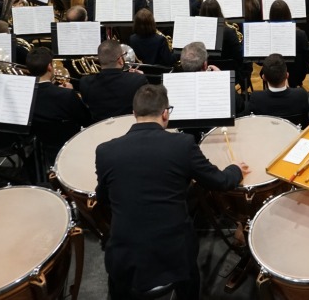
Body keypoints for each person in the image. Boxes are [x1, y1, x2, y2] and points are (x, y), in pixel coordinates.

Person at [95, 84, 249, 300]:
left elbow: (102, 197)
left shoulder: (105, 151)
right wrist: (235, 169)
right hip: (174, 253)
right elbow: (220, 181)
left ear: (134, 113)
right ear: (166, 113)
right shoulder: (182, 144)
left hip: (124, 255)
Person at [79, 39, 148, 122]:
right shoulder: (138, 80)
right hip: (128, 129)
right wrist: (138, 77)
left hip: (98, 130)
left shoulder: (85, 82)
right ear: (120, 60)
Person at [26, 46, 91, 131]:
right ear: (49, 66)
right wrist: (72, 93)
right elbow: (86, 121)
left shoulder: (24, 93)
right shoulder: (66, 94)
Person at [248, 53, 309, 128]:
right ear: (287, 75)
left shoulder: (255, 98)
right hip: (295, 137)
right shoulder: (301, 95)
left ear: (264, 77)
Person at [267, 0, 309, 88]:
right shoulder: (300, 34)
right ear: (288, 14)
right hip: (297, 75)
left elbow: (260, 62)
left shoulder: (266, 33)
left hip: (271, 74)